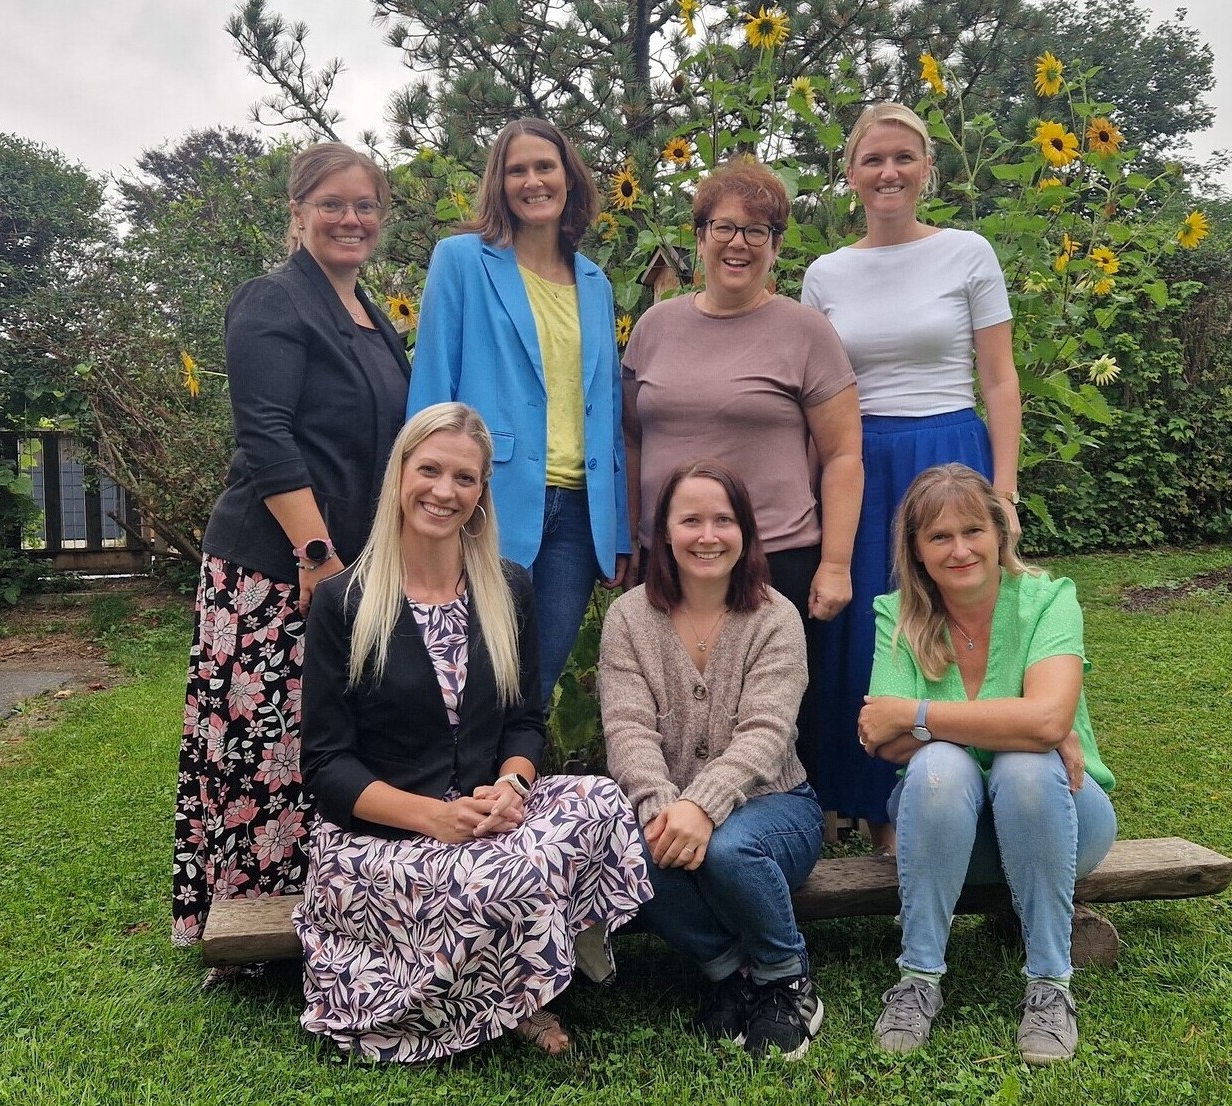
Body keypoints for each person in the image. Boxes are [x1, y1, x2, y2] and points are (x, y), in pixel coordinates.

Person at [295, 403, 653, 1062]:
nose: (444, 491)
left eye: (464, 478)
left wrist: (512, 786)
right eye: (429, 470)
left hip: (488, 815)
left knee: (602, 800)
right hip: (386, 838)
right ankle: (518, 995)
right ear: (400, 475)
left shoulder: (507, 587)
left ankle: (527, 960)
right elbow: (325, 765)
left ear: (482, 491)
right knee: (500, 876)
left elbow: (523, 720)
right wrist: (433, 817)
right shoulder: (344, 601)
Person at [174, 142, 410, 952]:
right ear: (298, 211)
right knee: (263, 748)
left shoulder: (370, 315)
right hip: (276, 566)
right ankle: (243, 933)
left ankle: (328, 912)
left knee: (327, 737)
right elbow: (266, 436)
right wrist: (317, 557)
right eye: (332, 203)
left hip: (348, 566)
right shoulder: (273, 299)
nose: (351, 218)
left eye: (365, 205)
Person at [803, 102, 1023, 853]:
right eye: (872, 159)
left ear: (928, 168)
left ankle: (960, 792)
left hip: (950, 451)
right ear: (850, 174)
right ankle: (870, 805)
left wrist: (1004, 490)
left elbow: (999, 379)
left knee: (956, 621)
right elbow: (814, 389)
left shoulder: (968, 253)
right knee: (865, 630)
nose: (888, 171)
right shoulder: (826, 273)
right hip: (859, 463)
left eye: (903, 157)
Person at [856, 464, 1116, 1065]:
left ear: (1000, 533)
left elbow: (1047, 721)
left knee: (1023, 768)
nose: (960, 550)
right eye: (939, 537)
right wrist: (1016, 726)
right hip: (945, 839)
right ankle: (918, 979)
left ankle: (1050, 986)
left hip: (1065, 824)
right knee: (943, 766)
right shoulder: (897, 613)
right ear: (916, 550)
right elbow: (883, 739)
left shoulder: (1049, 598)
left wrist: (917, 713)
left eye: (973, 530)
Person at [622, 157, 863, 774]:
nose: (739, 243)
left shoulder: (805, 333)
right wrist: (630, 536)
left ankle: (777, 822)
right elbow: (631, 439)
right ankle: (669, 813)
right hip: (668, 557)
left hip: (774, 558)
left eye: (758, 231)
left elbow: (842, 454)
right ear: (699, 236)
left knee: (768, 728)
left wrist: (835, 564)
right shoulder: (654, 326)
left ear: (776, 246)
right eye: (724, 227)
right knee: (665, 716)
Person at [600, 459, 825, 1059]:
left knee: (727, 848)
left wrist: (701, 806)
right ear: (664, 533)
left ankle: (787, 978)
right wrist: (663, 809)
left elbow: (766, 732)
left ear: (745, 530)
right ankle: (731, 971)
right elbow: (627, 730)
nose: (708, 536)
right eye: (690, 520)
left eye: (723, 520)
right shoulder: (629, 618)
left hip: (775, 805)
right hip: (668, 804)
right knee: (627, 854)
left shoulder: (776, 616)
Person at [407, 118, 629, 706]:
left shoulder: (595, 282)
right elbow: (432, 387)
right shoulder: (462, 261)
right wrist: (420, 494)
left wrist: (618, 528)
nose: (533, 182)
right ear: (499, 184)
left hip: (578, 516)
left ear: (568, 178)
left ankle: (514, 771)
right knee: (462, 678)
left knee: (536, 686)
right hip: (486, 502)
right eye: (517, 170)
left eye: (545, 167)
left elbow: (607, 410)